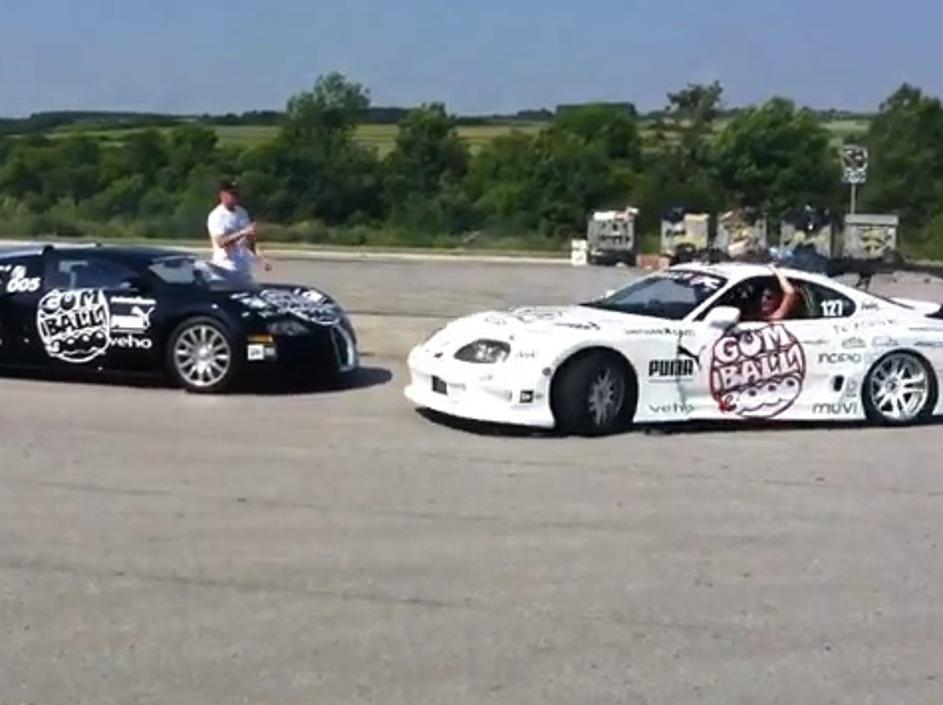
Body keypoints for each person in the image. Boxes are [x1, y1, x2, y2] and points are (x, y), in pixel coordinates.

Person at [206, 179, 269, 280]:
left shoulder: (242, 212)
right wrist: (243, 232)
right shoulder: (217, 216)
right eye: (233, 194)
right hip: (226, 267)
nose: (236, 197)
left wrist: (261, 258)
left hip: (243, 266)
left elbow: (249, 240)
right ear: (222, 195)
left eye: (237, 193)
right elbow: (221, 242)